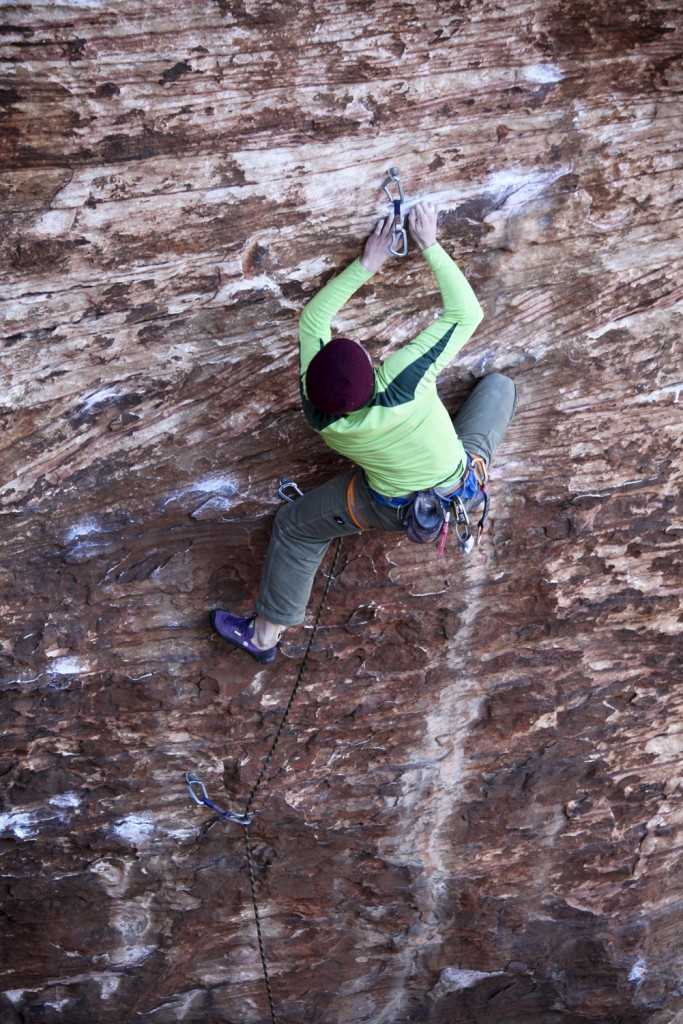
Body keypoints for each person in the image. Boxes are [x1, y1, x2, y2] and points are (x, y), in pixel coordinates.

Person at [210, 201, 517, 663]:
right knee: (499, 386)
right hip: (461, 489)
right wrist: (425, 245)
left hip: (389, 509)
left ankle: (264, 637)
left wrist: (364, 264)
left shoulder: (320, 416)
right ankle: (461, 460)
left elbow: (311, 322)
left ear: (309, 383)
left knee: (296, 528)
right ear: (374, 371)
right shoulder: (401, 381)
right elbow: (465, 313)